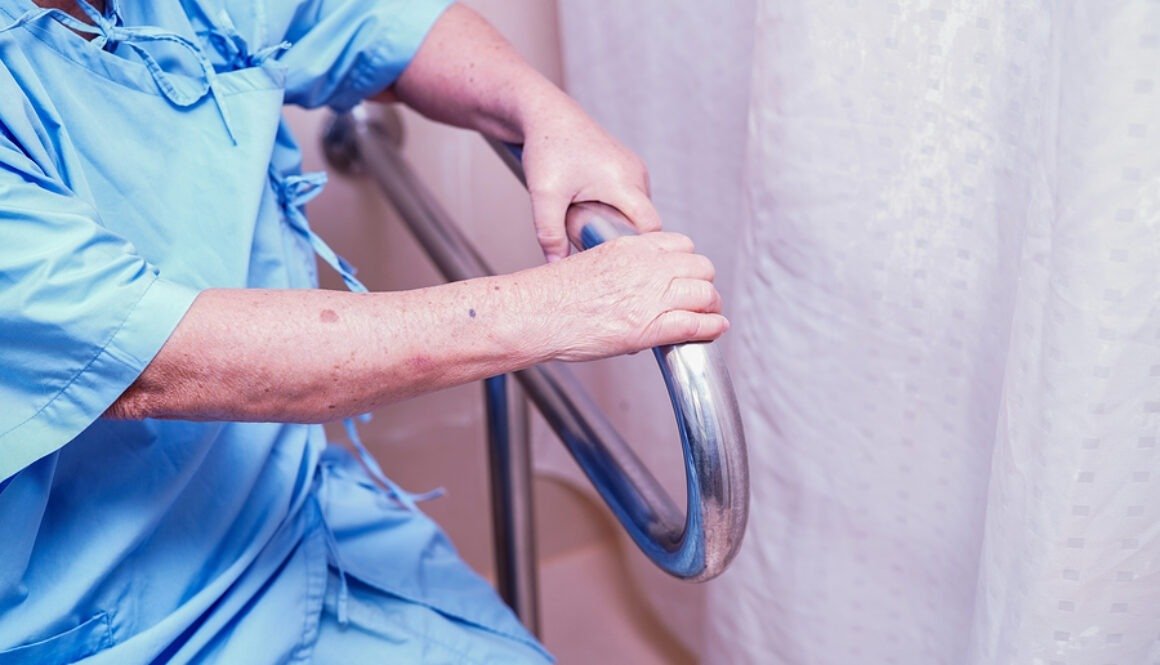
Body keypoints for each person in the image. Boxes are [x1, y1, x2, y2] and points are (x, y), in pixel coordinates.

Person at [0, 0, 727, 663]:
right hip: (104, 615)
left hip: (285, 511)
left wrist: (543, 111)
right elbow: (168, 358)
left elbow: (367, 18)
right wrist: (563, 307)